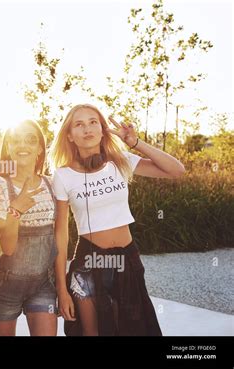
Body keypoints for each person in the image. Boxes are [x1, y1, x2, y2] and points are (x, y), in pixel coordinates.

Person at [51, 103, 185, 336]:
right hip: (89, 262)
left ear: (103, 129)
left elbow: (177, 171)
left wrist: (134, 142)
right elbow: (60, 236)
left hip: (127, 257)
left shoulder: (120, 161)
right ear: (70, 135)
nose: (87, 129)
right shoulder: (63, 176)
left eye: (93, 122)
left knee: (136, 329)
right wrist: (62, 290)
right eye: (79, 124)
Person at [0, 120, 58, 336]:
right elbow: (8, 248)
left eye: (30, 140)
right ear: (8, 147)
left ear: (40, 148)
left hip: (43, 284)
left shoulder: (52, 184)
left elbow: (59, 238)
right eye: (16, 140)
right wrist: (16, 210)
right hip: (6, 284)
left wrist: (63, 288)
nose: (23, 145)